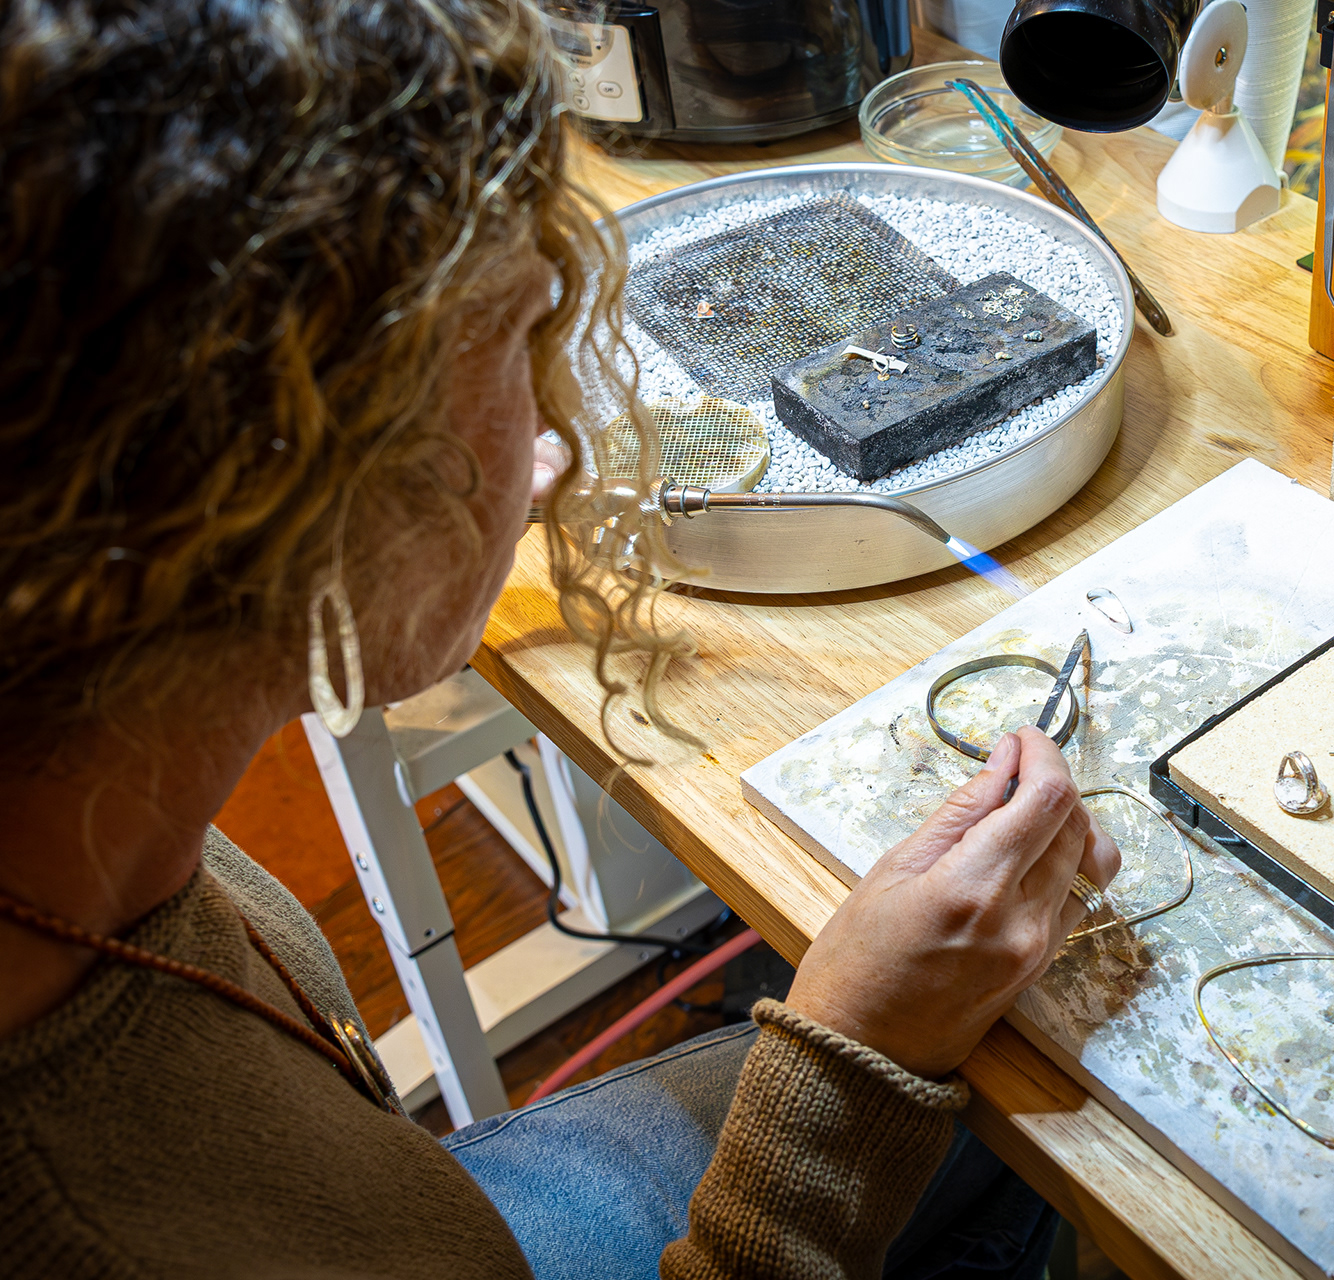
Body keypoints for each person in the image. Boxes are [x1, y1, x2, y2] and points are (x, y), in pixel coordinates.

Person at [0, 0, 1120, 1275]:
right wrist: (857, 1053)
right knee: (1034, 1105)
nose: (551, 459)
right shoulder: (84, 1231)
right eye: (506, 350)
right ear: (263, 480)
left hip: (386, 1194)